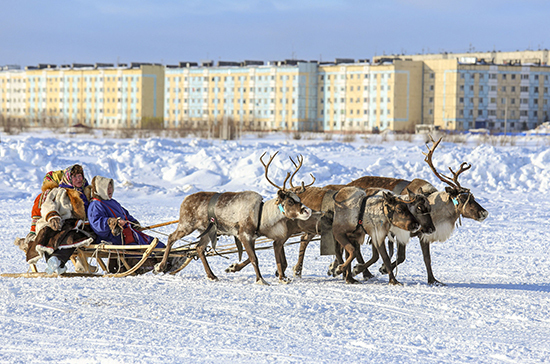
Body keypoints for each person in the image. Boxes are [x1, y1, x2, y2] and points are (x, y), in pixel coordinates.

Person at [87, 176, 183, 274]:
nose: (110, 190)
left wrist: (134, 224)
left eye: (111, 187)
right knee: (137, 249)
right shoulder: (95, 205)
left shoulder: (112, 202)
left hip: (127, 233)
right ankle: (150, 265)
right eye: (107, 188)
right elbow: (97, 223)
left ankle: (170, 259)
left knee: (151, 241)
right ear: (101, 189)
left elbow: (125, 215)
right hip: (112, 237)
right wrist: (113, 223)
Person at [25, 186, 95, 274]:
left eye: (80, 176)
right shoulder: (58, 192)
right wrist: (52, 216)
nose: (79, 179)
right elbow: (47, 206)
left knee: (71, 237)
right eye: (75, 176)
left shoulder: (86, 192)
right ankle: (57, 261)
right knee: (53, 235)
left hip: (77, 225)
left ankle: (57, 262)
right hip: (57, 223)